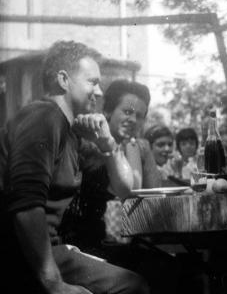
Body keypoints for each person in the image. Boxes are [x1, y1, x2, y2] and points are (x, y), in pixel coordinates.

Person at [0, 41, 148, 294]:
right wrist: (54, 284)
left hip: (49, 250)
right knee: (132, 287)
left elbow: (126, 189)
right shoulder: (42, 119)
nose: (100, 92)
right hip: (21, 255)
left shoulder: (71, 133)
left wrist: (107, 142)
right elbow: (26, 206)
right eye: (92, 82)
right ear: (63, 80)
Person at [61, 79, 161, 249]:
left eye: (140, 116)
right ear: (108, 111)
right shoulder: (90, 142)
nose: (133, 120)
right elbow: (128, 193)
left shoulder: (137, 147)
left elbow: (153, 200)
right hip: (82, 242)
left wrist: (136, 150)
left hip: (119, 241)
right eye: (127, 112)